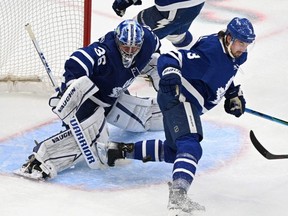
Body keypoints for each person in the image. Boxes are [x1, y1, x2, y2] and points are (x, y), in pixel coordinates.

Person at [107, 17, 256, 215]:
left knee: (174, 151)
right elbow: (170, 58)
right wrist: (170, 76)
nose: (243, 49)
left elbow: (227, 75)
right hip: (180, 98)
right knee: (190, 145)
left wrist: (233, 95)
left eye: (247, 44)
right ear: (229, 38)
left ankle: (119, 150)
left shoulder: (235, 55)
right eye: (241, 43)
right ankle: (178, 198)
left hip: (187, 103)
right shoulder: (211, 51)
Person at [15, 19, 163, 180]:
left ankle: (175, 111)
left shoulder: (148, 40)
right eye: (125, 46)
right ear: (117, 40)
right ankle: (39, 162)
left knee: (145, 118)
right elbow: (77, 60)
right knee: (95, 148)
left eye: (134, 47)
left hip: (113, 97)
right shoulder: (105, 51)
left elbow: (156, 51)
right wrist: (69, 88)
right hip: (91, 102)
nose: (129, 51)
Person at [112, 0, 205, 50]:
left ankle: (149, 64)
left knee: (135, 31)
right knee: (177, 36)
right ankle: (198, 60)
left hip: (175, 6)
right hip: (193, 6)